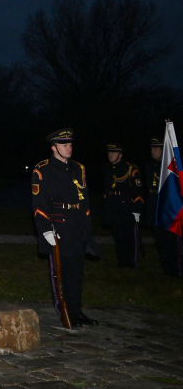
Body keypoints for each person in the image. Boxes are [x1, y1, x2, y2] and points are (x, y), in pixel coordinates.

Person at [32, 128, 97, 326]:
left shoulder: (79, 168)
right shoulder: (42, 170)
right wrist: (45, 229)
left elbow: (84, 199)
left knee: (76, 272)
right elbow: (39, 203)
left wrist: (87, 224)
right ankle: (64, 311)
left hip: (77, 225)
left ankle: (76, 311)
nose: (69, 148)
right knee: (60, 273)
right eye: (64, 145)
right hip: (58, 226)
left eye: (70, 144)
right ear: (54, 147)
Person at [144, 137, 183, 276]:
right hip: (155, 204)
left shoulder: (170, 166)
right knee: (159, 238)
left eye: (156, 148)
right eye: (151, 148)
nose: (152, 151)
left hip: (167, 205)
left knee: (170, 239)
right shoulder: (150, 166)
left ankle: (175, 268)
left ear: (163, 150)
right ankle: (165, 267)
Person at [101, 143, 144, 268]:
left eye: (113, 153)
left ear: (120, 155)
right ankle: (122, 261)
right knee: (118, 235)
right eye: (109, 152)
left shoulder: (130, 168)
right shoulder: (107, 168)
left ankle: (131, 263)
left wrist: (137, 209)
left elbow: (138, 190)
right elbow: (106, 189)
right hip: (113, 206)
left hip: (126, 207)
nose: (110, 155)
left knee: (128, 236)